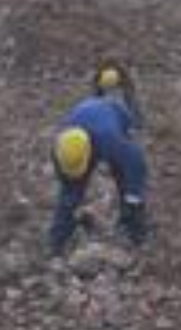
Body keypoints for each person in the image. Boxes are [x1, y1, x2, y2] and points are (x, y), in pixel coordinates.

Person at [49, 91, 149, 257]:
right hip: (87, 118)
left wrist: (133, 198)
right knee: (70, 193)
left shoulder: (111, 140)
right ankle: (58, 240)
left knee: (124, 177)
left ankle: (135, 230)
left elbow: (136, 165)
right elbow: (67, 185)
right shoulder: (61, 146)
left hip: (115, 112)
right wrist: (66, 212)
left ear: (90, 154)